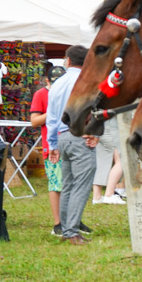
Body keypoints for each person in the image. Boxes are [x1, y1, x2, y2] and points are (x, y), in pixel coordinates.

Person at [46, 46, 96, 245]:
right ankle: (71, 231)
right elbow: (93, 108)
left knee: (67, 184)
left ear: (67, 60)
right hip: (79, 135)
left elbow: (51, 117)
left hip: (62, 136)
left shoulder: (57, 84)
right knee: (81, 186)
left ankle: (66, 227)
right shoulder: (86, 81)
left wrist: (52, 144)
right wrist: (93, 132)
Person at [30, 65, 66, 234]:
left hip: (70, 143)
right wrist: (53, 111)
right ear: (47, 81)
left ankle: (74, 220)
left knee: (71, 185)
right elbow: (34, 121)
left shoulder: (68, 92)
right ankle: (58, 223)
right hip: (51, 146)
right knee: (55, 184)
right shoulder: (41, 94)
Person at [92, 117, 125, 205]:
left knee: (101, 162)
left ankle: (97, 197)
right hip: (112, 126)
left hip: (99, 127)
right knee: (121, 161)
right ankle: (109, 195)